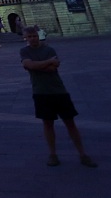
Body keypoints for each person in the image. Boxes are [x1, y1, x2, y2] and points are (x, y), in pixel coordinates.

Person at [20, 25, 96, 167]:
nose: (32, 39)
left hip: (59, 91)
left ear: (38, 36)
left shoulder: (49, 49)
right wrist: (47, 62)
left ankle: (82, 154)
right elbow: (31, 65)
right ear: (26, 38)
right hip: (41, 92)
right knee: (48, 124)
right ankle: (53, 155)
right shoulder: (25, 51)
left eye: (34, 36)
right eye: (29, 37)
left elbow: (52, 68)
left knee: (70, 123)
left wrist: (37, 65)